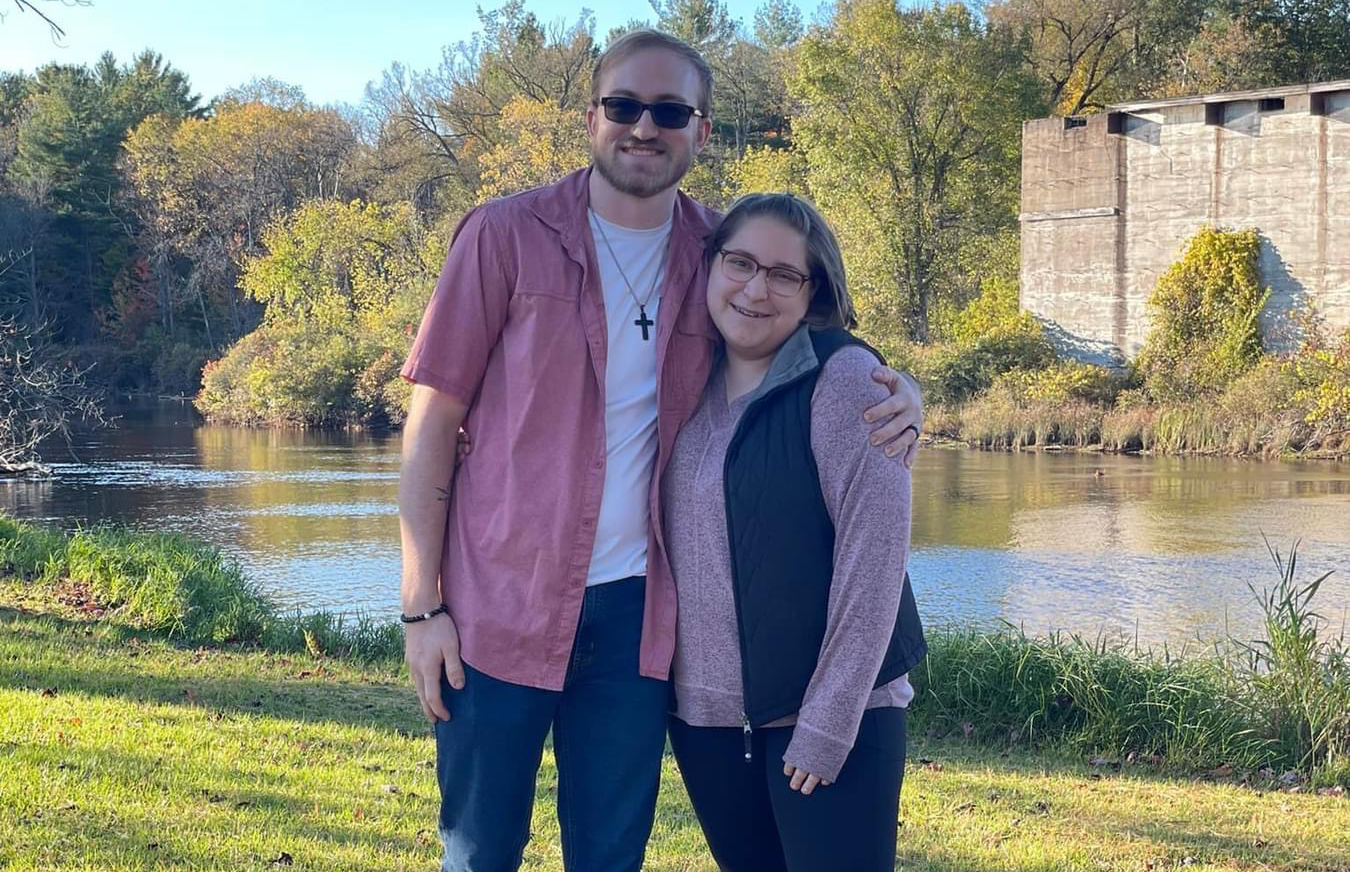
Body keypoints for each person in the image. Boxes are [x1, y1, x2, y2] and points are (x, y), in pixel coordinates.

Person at [397, 29, 923, 872]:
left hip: (642, 628)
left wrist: (904, 392)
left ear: (702, 130)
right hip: (497, 607)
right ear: (592, 116)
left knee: (609, 857)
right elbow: (430, 425)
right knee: (478, 851)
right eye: (625, 105)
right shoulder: (503, 236)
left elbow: (813, 338)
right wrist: (422, 607)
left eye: (671, 110)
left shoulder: (720, 256)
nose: (646, 126)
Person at [663, 193, 925, 872]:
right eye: (740, 263)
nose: (756, 288)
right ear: (711, 268)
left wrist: (827, 724)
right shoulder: (685, 382)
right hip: (708, 725)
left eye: (783, 274)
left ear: (814, 293)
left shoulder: (848, 383)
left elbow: (874, 563)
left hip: (830, 722)